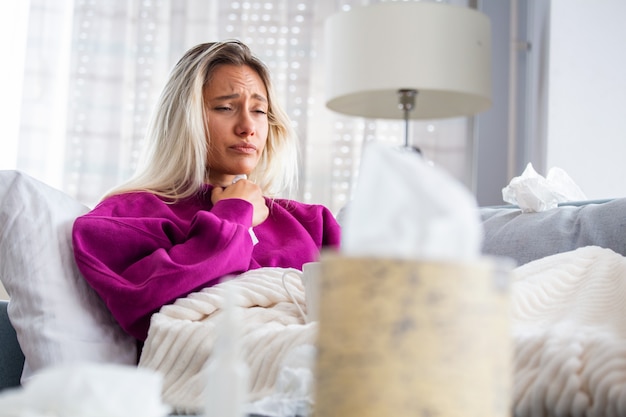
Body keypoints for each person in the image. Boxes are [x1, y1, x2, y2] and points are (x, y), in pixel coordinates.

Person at [72, 40, 341, 342]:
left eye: (260, 111)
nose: (248, 127)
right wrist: (235, 215)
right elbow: (143, 307)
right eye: (225, 107)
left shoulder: (313, 223)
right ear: (183, 118)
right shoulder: (122, 218)